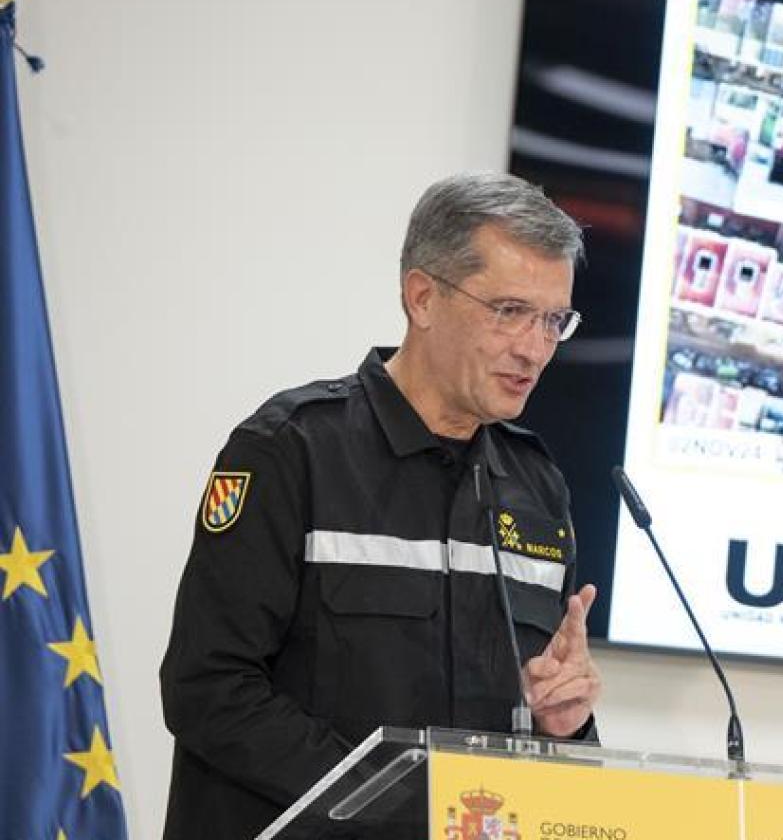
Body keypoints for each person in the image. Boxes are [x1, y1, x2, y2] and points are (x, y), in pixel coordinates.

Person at [159, 172, 602, 839]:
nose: (535, 349)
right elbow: (210, 688)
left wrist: (565, 724)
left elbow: (533, 739)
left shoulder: (538, 487)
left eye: (552, 320)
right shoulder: (291, 450)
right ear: (422, 297)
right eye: (509, 311)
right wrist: (399, 812)